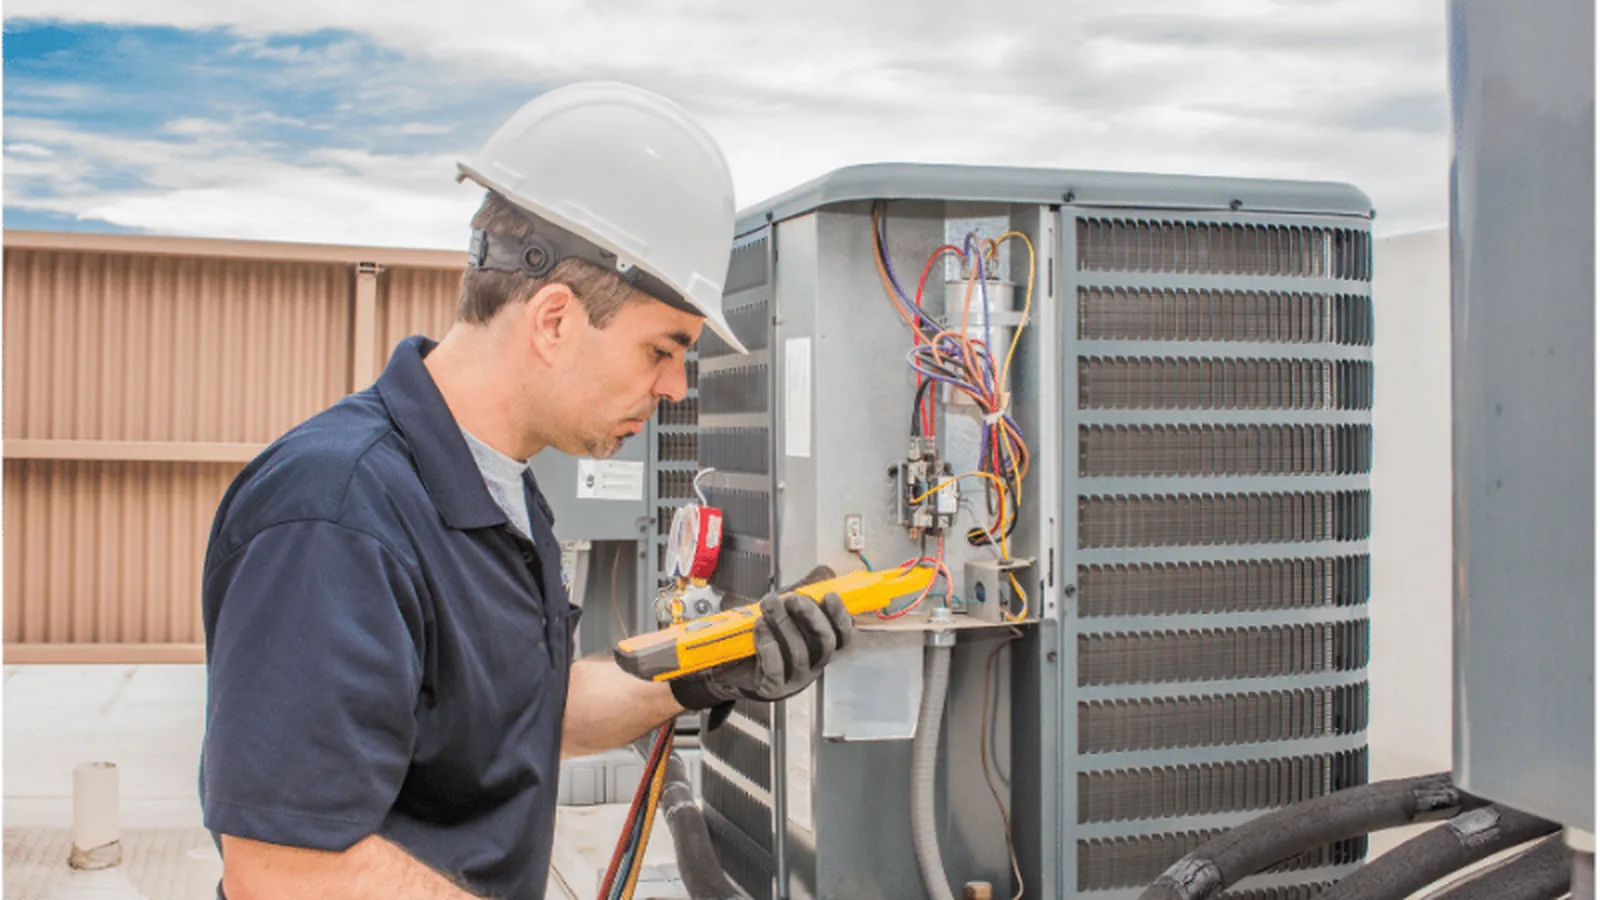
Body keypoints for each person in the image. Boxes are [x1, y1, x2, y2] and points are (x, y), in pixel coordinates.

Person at [197, 82, 855, 900]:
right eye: (661, 349)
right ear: (553, 320)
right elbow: (288, 868)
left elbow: (526, 718)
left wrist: (718, 664)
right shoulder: (336, 513)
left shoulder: (498, 488)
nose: (678, 387)